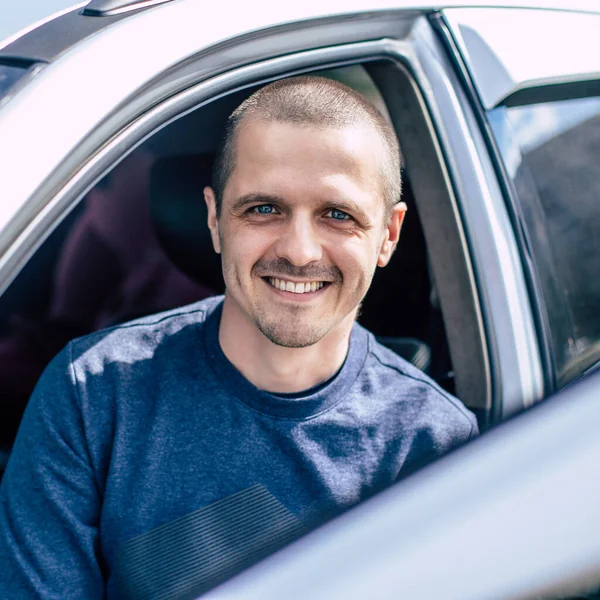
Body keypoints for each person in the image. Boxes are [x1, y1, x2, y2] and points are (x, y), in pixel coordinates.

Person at [0, 76, 477, 599]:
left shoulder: (435, 444)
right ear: (213, 218)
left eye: (337, 215)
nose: (299, 251)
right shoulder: (93, 395)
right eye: (263, 209)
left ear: (388, 234)